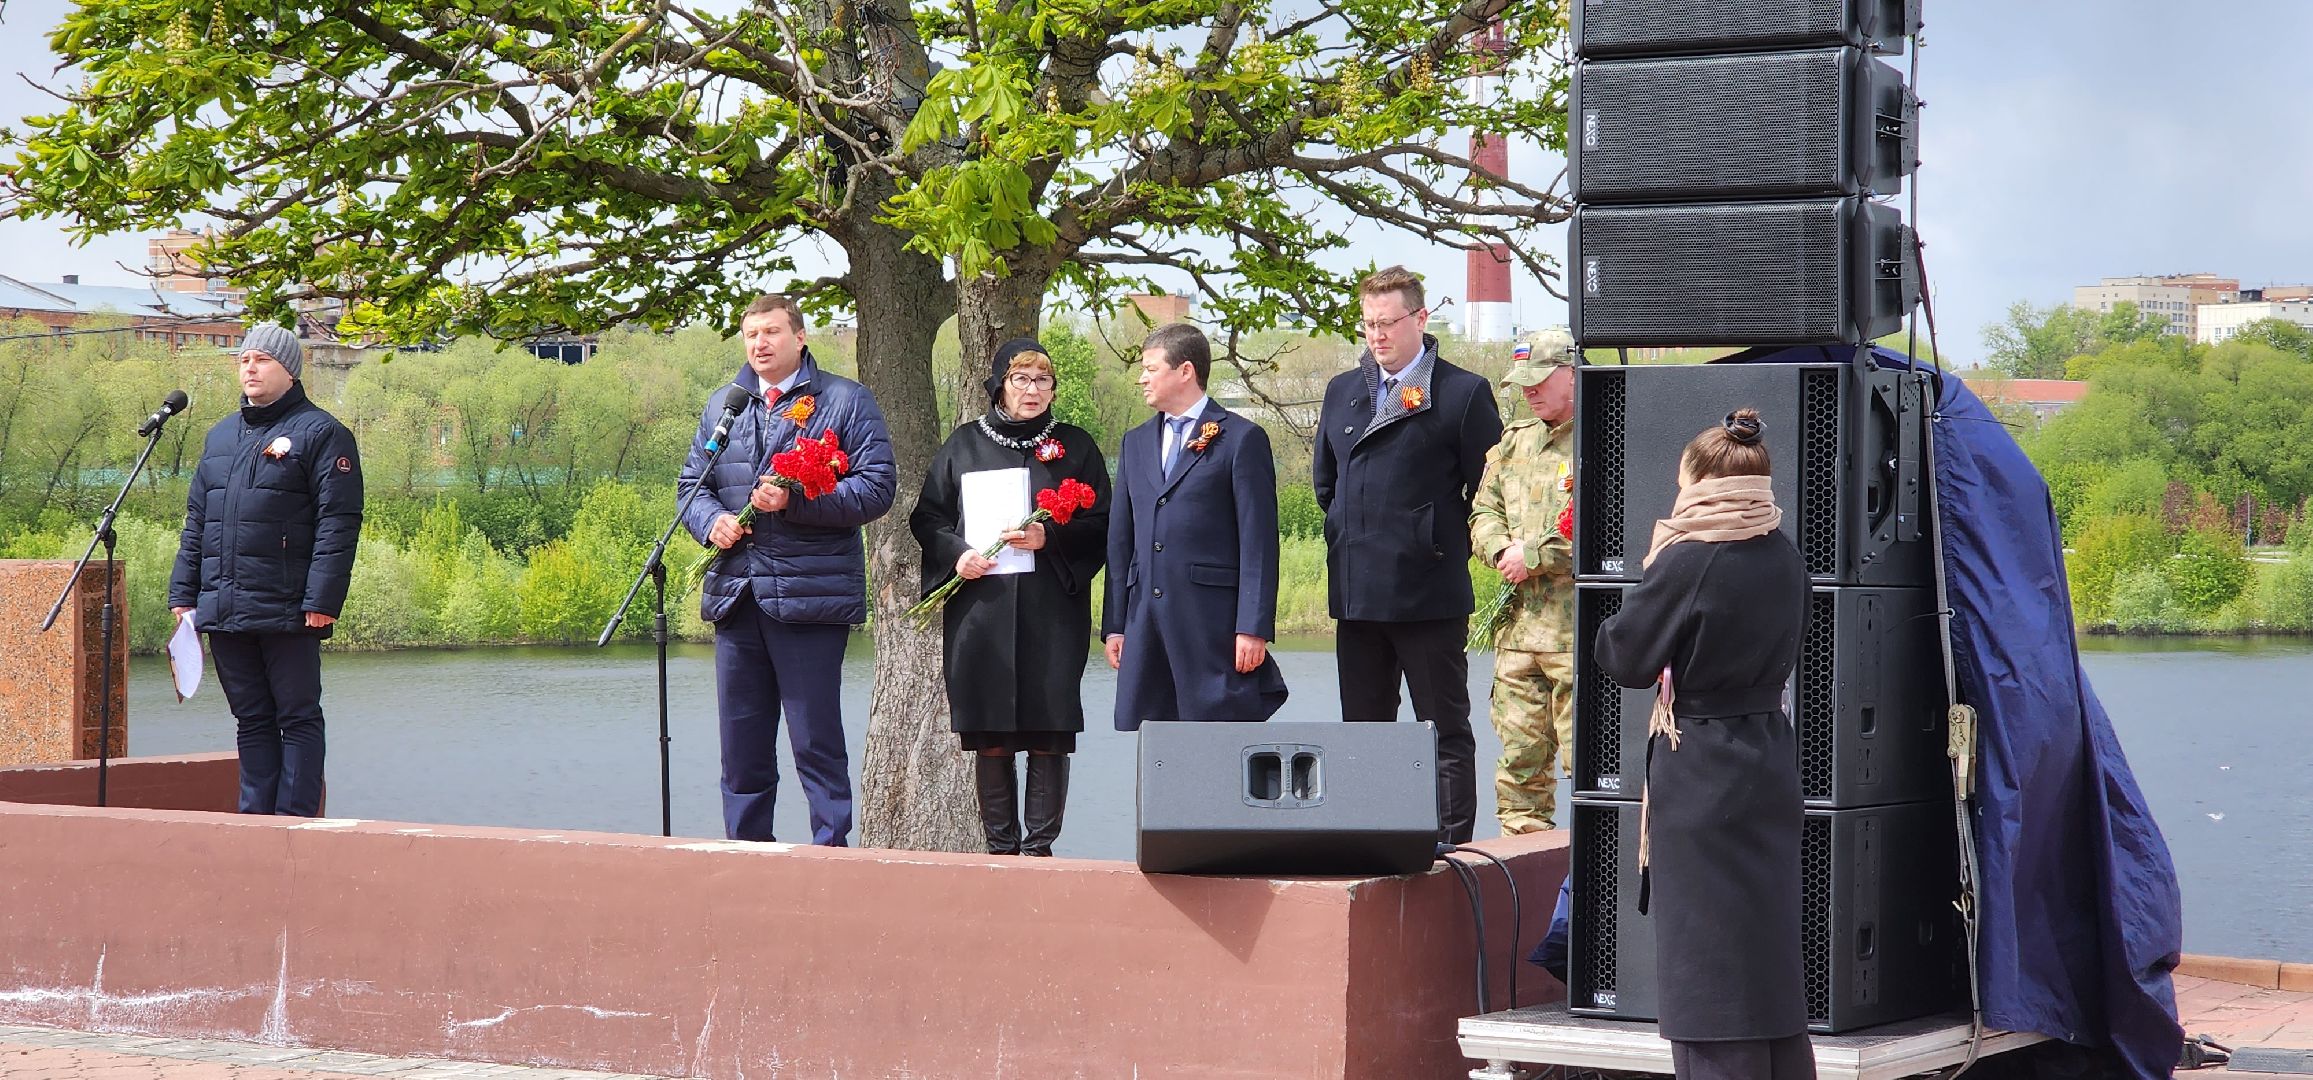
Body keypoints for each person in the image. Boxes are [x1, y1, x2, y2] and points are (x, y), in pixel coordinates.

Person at [1593, 408, 1815, 1080]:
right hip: (1768, 761)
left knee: (1709, 972)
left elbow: (1624, 657)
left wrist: (1649, 576)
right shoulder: (1783, 551)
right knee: (1764, 962)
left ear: (1697, 484)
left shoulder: (1689, 558)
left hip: (1703, 775)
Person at [679, 294, 896, 846]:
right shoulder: (724, 406)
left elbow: (876, 489)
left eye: (772, 332)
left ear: (800, 337)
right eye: (751, 334)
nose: (760, 344)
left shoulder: (844, 401)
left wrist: (795, 503)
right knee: (742, 745)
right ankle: (747, 855)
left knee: (815, 741)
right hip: (736, 597)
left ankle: (830, 854)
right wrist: (714, 524)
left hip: (808, 600)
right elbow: (692, 489)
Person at [1312, 265, 1503, 843]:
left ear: (1419, 319)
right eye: (1368, 324)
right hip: (1357, 594)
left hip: (1428, 593)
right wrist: (1350, 533)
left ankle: (1452, 846)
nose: (1376, 335)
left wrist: (1431, 538)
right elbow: (1328, 485)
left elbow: (1487, 490)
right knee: (1364, 733)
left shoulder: (1462, 392)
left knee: (1442, 729)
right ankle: (1370, 839)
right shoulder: (1343, 392)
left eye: (1387, 322)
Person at [909, 337, 1110, 856]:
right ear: (1000, 384)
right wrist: (956, 554)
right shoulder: (963, 445)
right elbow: (927, 516)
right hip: (984, 610)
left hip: (1052, 608)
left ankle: (1040, 850)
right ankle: (1001, 850)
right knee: (991, 725)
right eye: (1021, 379)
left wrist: (1053, 538)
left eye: (1043, 380)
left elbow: (1106, 523)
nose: (1033, 390)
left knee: (1049, 724)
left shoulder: (1076, 446)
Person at [169, 323, 362, 817]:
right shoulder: (221, 436)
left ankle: (294, 821)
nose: (250, 367)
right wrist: (183, 593)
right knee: (251, 719)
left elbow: (337, 525)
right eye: (244, 360)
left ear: (290, 372)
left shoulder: (322, 433)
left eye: (262, 359)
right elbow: (198, 521)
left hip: (290, 606)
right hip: (225, 605)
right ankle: (254, 821)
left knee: (296, 717)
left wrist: (321, 601)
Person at [1103, 323, 1288, 728]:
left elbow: (1258, 542)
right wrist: (1115, 625)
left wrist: (1253, 628)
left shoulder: (1241, 438)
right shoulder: (1134, 443)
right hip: (1146, 625)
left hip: (1213, 627)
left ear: (1185, 371)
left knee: (1217, 745)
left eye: (1151, 369)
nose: (1141, 378)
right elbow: (1121, 541)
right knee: (1158, 748)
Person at [1468, 328, 1579, 833]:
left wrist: (1534, 554)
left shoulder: (1606, 434)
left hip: (1579, 637)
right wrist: (1500, 549)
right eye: (1523, 383)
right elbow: (1483, 510)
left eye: (1539, 380)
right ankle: (1527, 886)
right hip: (1518, 638)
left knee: (1596, 770)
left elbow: (1617, 529)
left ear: (1571, 373)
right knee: (1519, 774)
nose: (1529, 392)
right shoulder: (1515, 442)